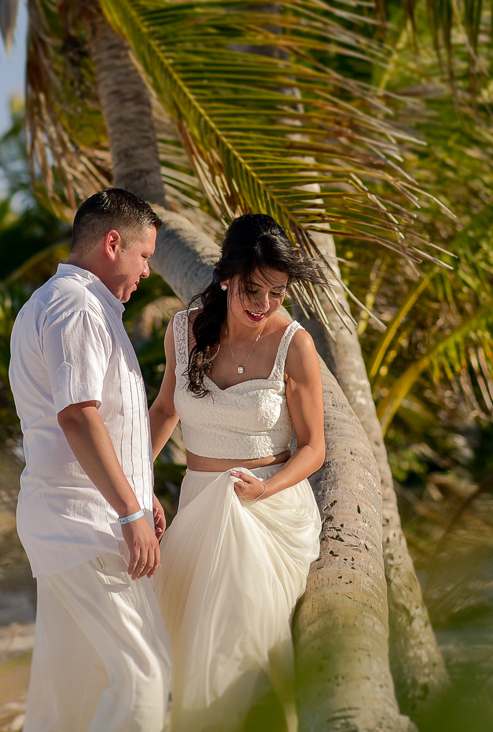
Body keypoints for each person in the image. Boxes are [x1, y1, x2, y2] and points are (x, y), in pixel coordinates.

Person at [150, 214, 328, 732]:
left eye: (276, 292)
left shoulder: (294, 345)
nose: (264, 304)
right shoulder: (184, 331)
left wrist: (265, 488)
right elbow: (165, 410)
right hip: (198, 501)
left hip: (268, 507)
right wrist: (136, 482)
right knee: (187, 642)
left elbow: (314, 447)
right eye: (254, 288)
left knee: (236, 635)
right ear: (226, 276)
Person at [10, 188, 171, 732]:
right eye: (144, 255)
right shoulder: (76, 306)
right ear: (112, 242)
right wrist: (129, 512)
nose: (148, 271)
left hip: (72, 517)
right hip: (85, 523)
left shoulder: (74, 305)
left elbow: (108, 424)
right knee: (146, 675)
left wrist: (137, 486)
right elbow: (77, 415)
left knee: (70, 686)